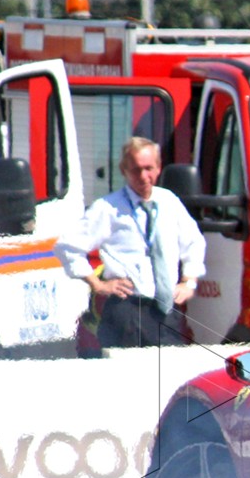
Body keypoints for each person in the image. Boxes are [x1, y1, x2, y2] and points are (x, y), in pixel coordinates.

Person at [55, 137, 206, 350]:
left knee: (169, 377)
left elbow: (193, 242)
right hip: (127, 310)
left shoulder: (169, 201)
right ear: (124, 170)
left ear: (158, 167)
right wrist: (97, 284)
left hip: (165, 309)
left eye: (148, 168)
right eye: (136, 170)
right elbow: (67, 246)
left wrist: (189, 281)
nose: (144, 177)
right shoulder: (108, 208)